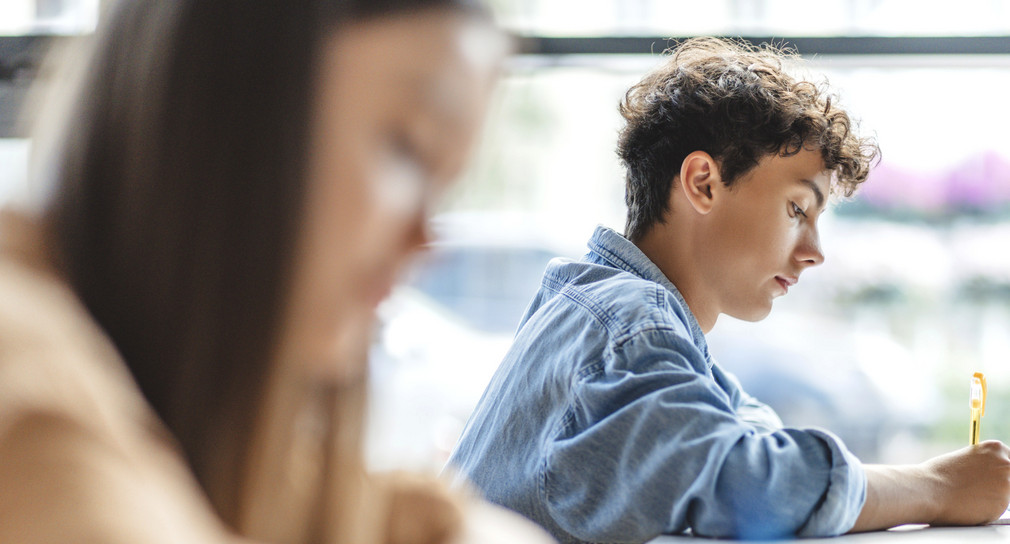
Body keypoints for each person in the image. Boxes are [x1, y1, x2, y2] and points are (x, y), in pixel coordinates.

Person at [0, 0, 556, 542]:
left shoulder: (179, 398)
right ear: (230, 90)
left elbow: (352, 510)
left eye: (444, 187)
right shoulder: (27, 390)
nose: (423, 243)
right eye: (407, 150)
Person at [444, 37, 1010, 543]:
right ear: (702, 183)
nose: (815, 252)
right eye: (797, 209)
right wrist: (935, 486)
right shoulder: (632, 326)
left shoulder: (595, 305)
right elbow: (752, 485)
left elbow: (744, 428)